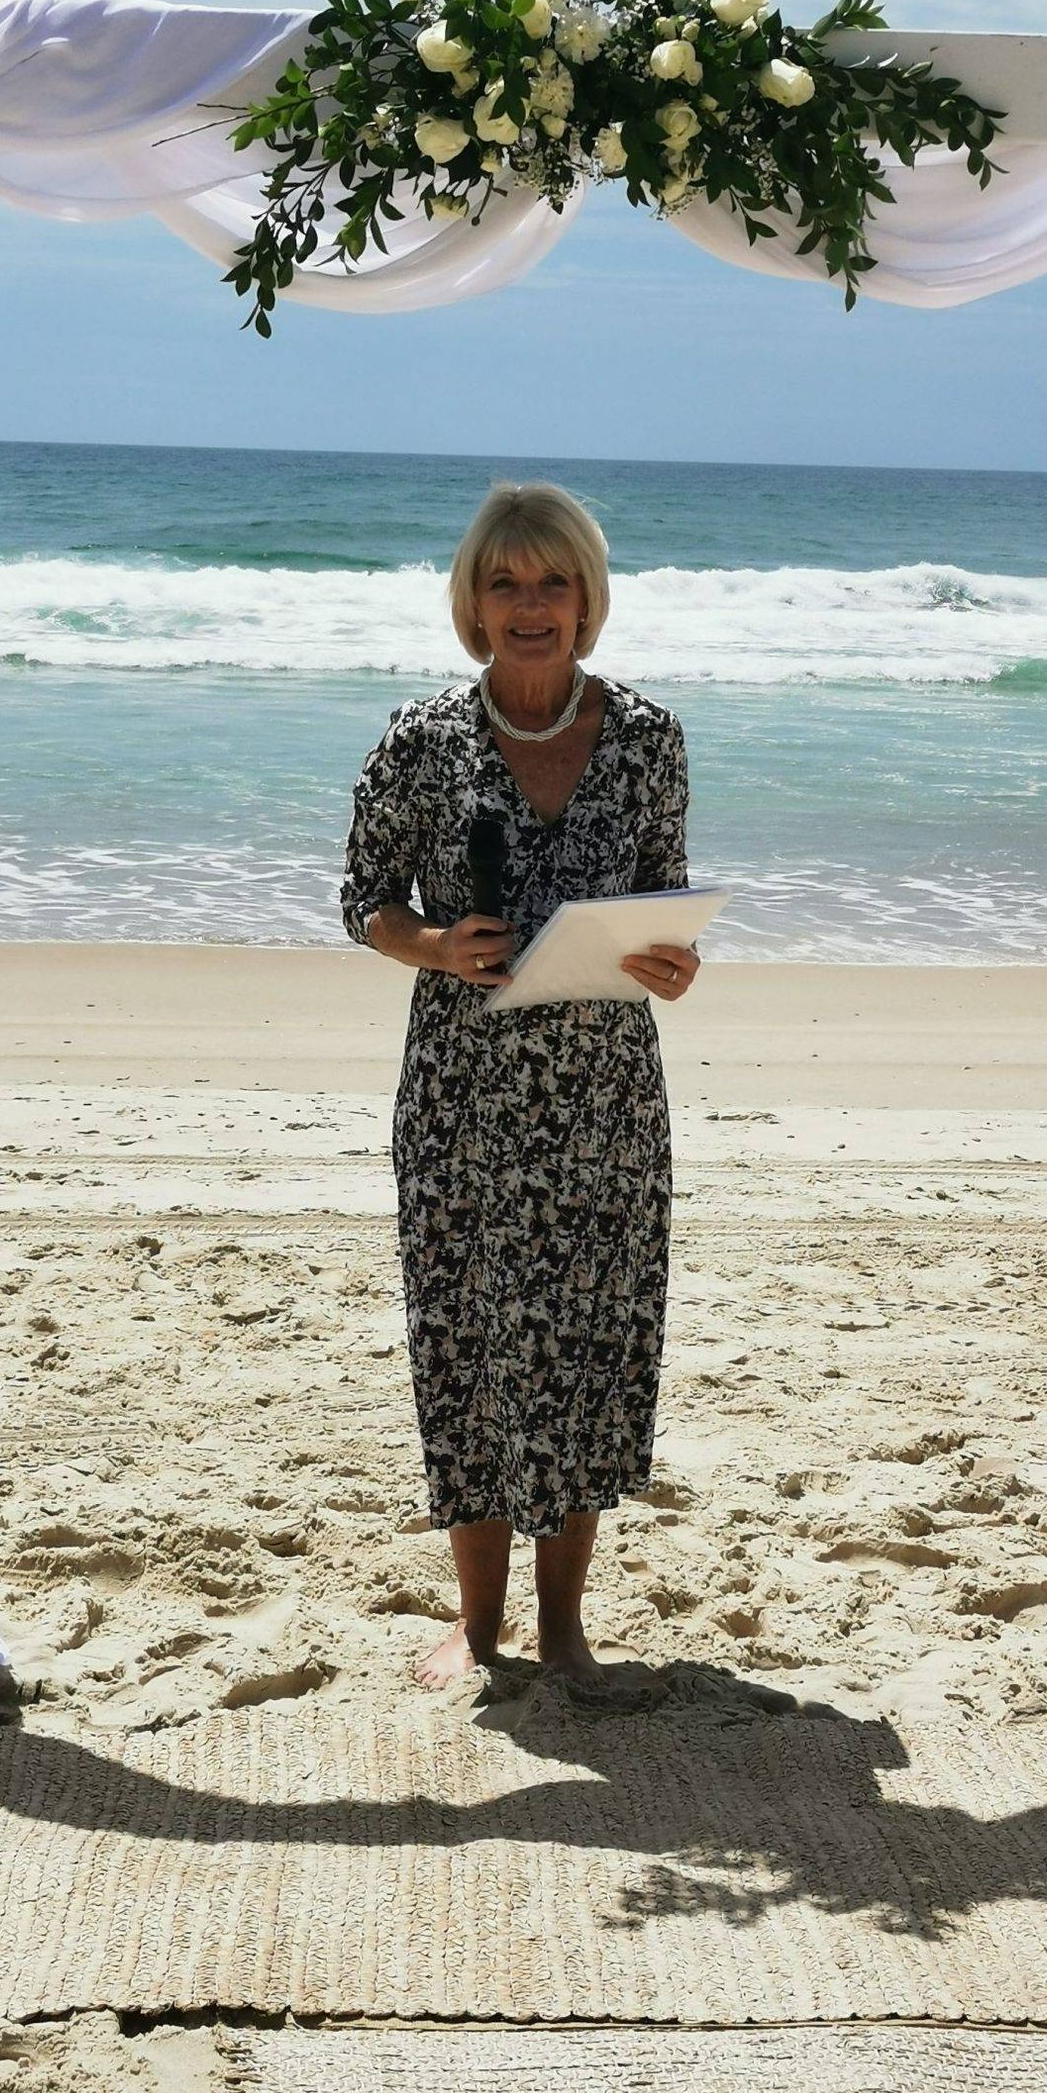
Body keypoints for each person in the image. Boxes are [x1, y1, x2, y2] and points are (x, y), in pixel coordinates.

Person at [340, 481, 700, 1686]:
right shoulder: (419, 741)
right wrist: (434, 947)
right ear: (474, 603)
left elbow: (666, 905)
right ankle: (478, 1621)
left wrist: (673, 962)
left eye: (553, 584)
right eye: (506, 584)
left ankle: (563, 1625)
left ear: (587, 602)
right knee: (467, 1344)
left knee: (596, 1347)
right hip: (463, 1098)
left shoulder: (648, 740)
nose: (530, 606)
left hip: (603, 1097)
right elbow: (364, 902)